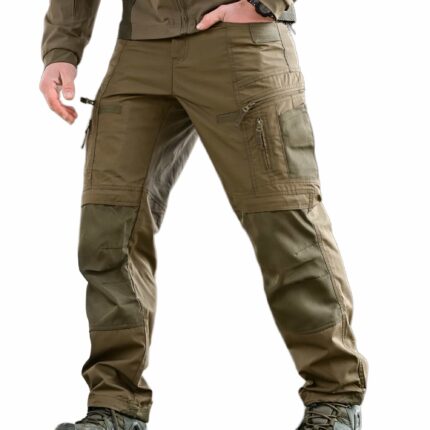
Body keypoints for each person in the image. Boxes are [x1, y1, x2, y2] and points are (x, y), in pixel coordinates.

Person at [39, 1, 368, 429]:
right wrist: (62, 49)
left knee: (283, 224)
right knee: (109, 226)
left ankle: (335, 399)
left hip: (240, 43)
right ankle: (115, 406)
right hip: (141, 45)